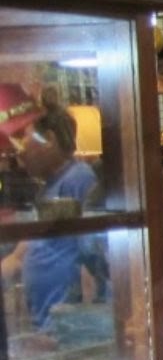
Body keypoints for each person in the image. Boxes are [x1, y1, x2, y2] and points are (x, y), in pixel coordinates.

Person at [0, 89, 106, 329]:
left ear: (48, 139)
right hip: (49, 324)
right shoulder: (48, 188)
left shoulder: (78, 179)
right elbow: (23, 251)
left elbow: (91, 253)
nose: (19, 150)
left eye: (23, 138)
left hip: (69, 325)